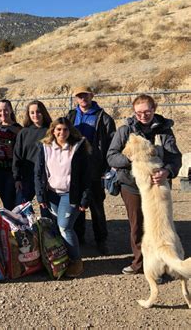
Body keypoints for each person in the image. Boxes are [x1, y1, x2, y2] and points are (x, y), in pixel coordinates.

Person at [107, 94, 181, 275]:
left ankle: (163, 264)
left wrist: (167, 171)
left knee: (161, 226)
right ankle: (140, 262)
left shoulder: (164, 131)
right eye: (139, 112)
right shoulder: (125, 131)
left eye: (147, 111)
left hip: (157, 186)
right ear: (134, 111)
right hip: (132, 186)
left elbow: (174, 157)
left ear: (154, 109)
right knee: (137, 225)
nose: (143, 115)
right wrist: (129, 157)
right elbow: (111, 156)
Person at [34, 117, 92, 278]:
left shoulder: (77, 147)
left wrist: (84, 199)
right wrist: (40, 196)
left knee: (65, 227)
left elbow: (86, 176)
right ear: (53, 130)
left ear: (70, 131)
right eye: (58, 129)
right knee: (53, 228)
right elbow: (38, 174)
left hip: (70, 195)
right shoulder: (45, 147)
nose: (62, 132)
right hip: (51, 194)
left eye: (65, 129)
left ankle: (76, 260)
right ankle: (59, 259)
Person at [67, 86, 116, 255]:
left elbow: (111, 144)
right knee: (76, 204)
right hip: (74, 167)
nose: (83, 98)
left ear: (91, 96)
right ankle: (79, 237)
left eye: (85, 95)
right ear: (76, 98)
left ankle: (101, 239)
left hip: (94, 168)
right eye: (79, 96)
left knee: (96, 205)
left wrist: (107, 167)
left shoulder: (103, 117)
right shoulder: (71, 116)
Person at [12, 100, 52, 204]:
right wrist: (17, 178)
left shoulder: (51, 132)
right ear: (28, 114)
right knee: (21, 209)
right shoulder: (24, 133)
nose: (35, 115)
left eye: (38, 111)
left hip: (46, 177)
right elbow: (17, 156)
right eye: (32, 112)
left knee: (46, 211)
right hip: (26, 177)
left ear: (43, 112)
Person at [0, 99, 22, 210]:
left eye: (5, 110)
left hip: (11, 170)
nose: (3, 113)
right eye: (0, 110)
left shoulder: (18, 129)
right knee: (5, 200)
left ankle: (14, 223)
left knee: (10, 200)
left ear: (10, 110)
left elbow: (21, 152)